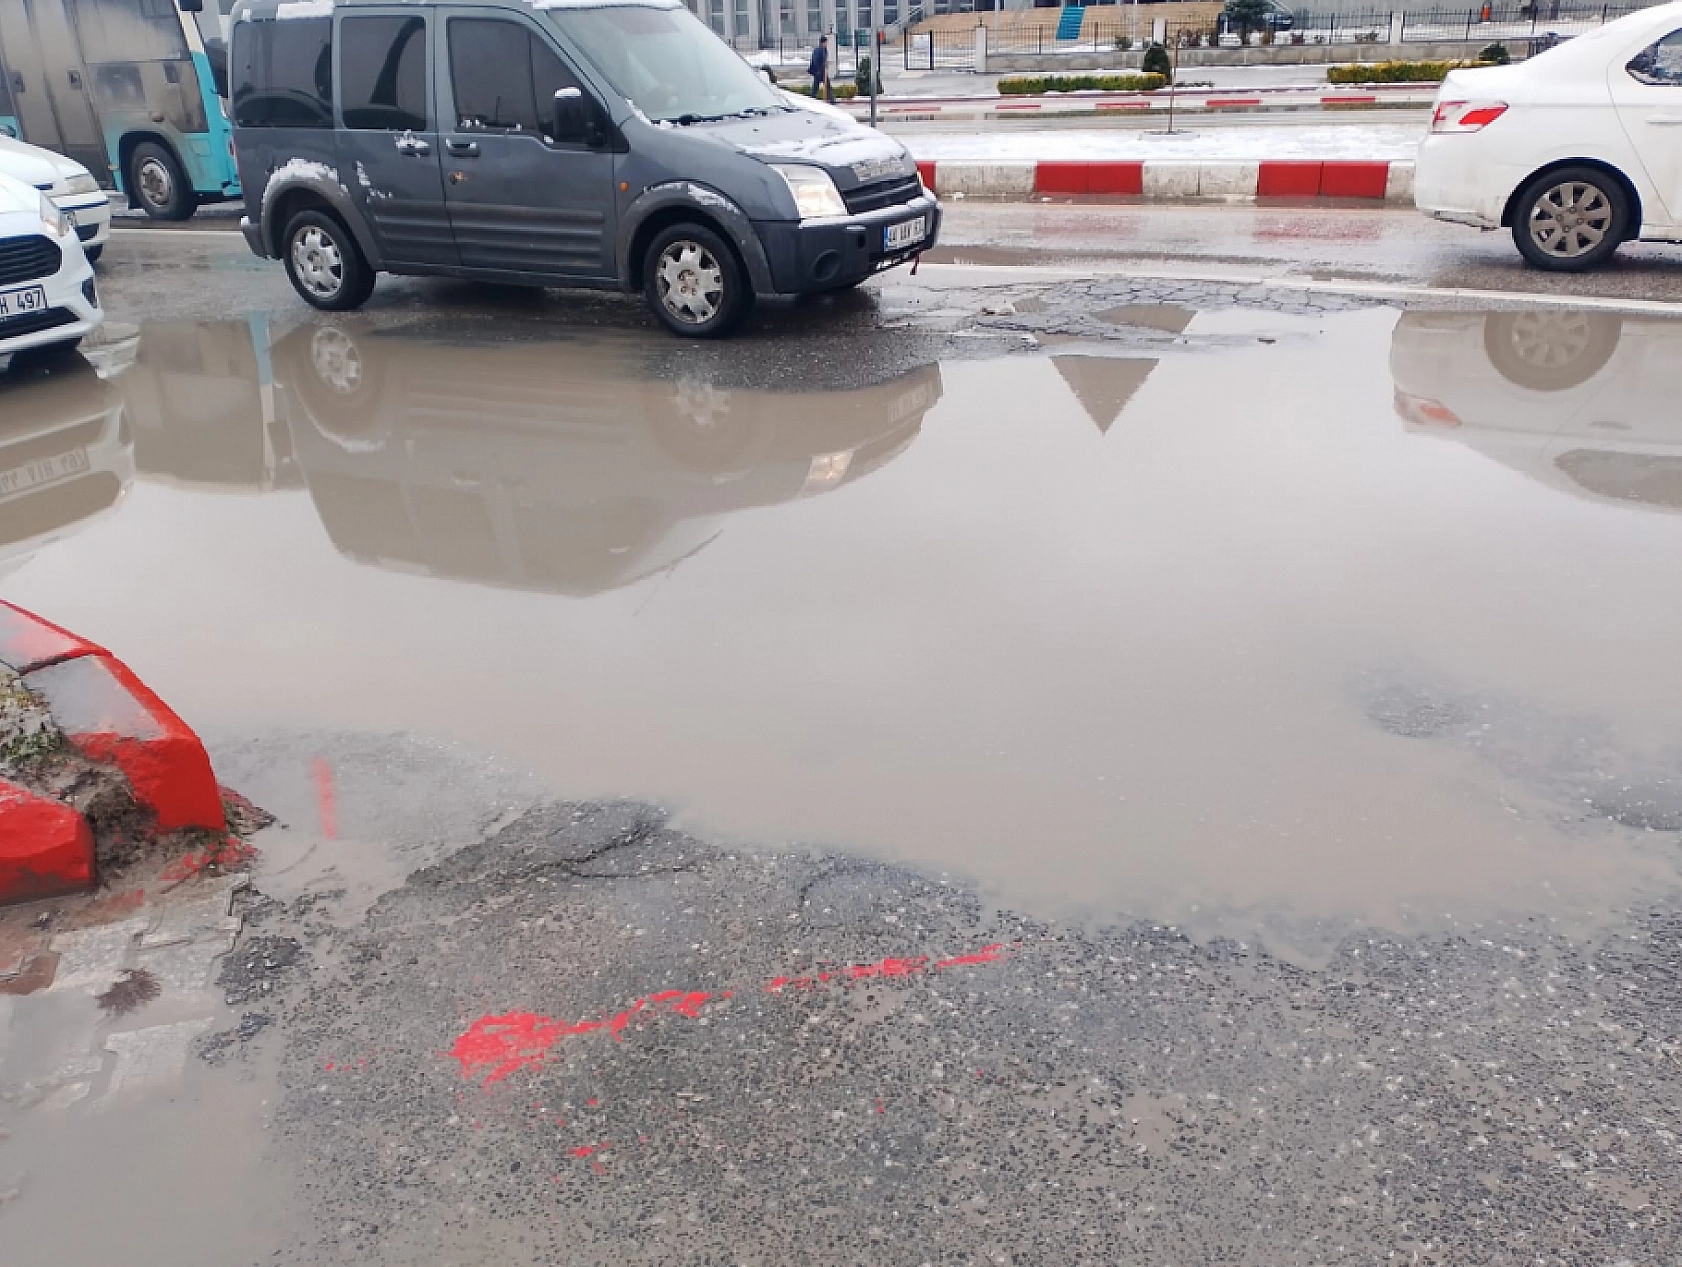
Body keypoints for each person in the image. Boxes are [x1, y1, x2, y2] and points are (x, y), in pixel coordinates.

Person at [808, 36, 829, 101]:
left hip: (822, 71)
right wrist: (818, 70)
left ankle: (831, 99)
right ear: (823, 43)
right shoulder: (818, 50)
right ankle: (812, 98)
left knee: (827, 85)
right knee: (816, 86)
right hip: (818, 71)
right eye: (826, 42)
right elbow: (815, 61)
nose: (827, 44)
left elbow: (824, 60)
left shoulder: (824, 50)